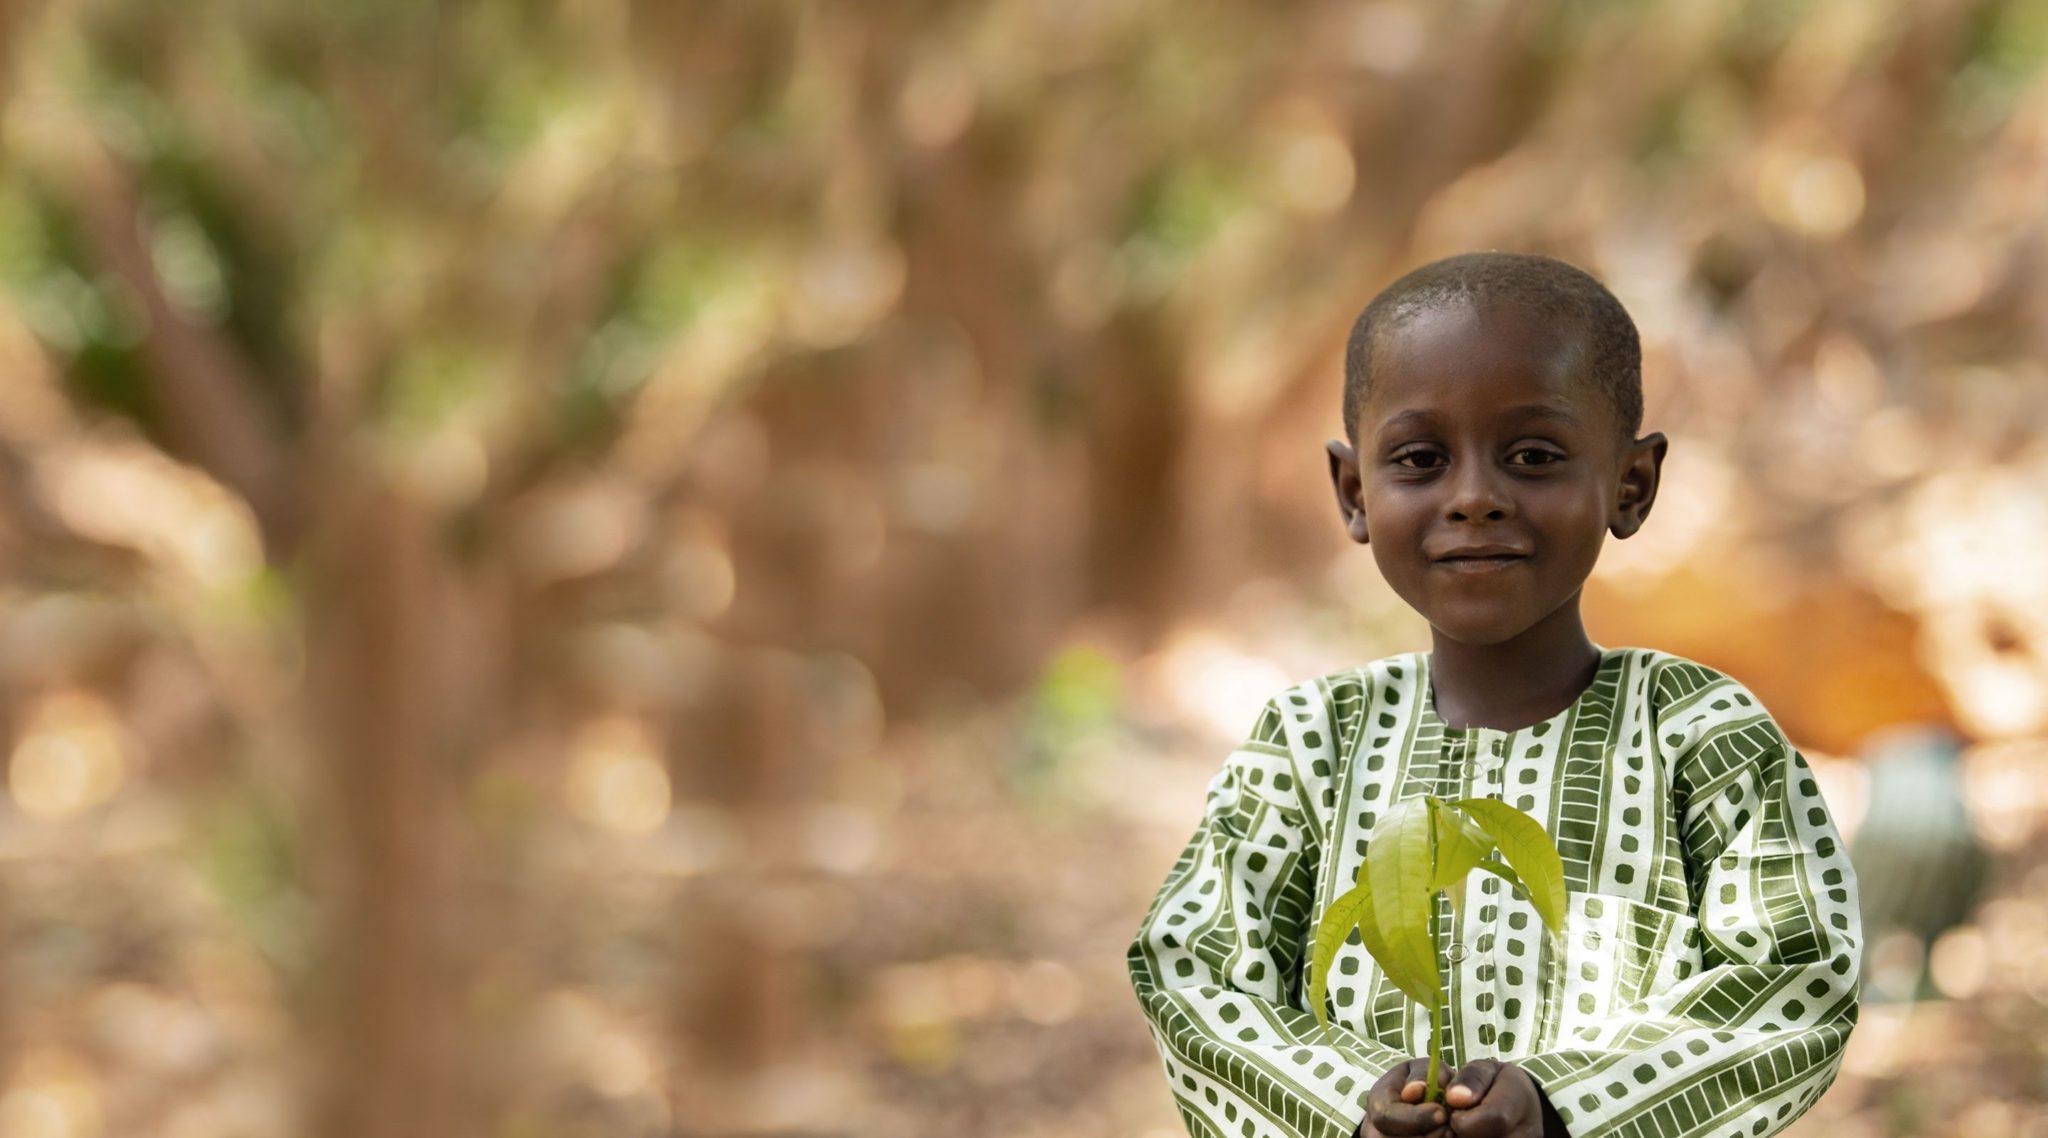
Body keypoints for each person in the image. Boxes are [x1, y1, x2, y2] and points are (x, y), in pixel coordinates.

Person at [1124, 252, 1862, 1138]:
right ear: (1355, 492)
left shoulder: (1703, 735)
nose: (1474, 497)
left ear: (1631, 484)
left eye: (1533, 456)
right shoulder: (1311, 739)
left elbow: (1795, 977)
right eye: (1421, 459)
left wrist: (1561, 1105)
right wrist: (1350, 1103)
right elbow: (1195, 967)